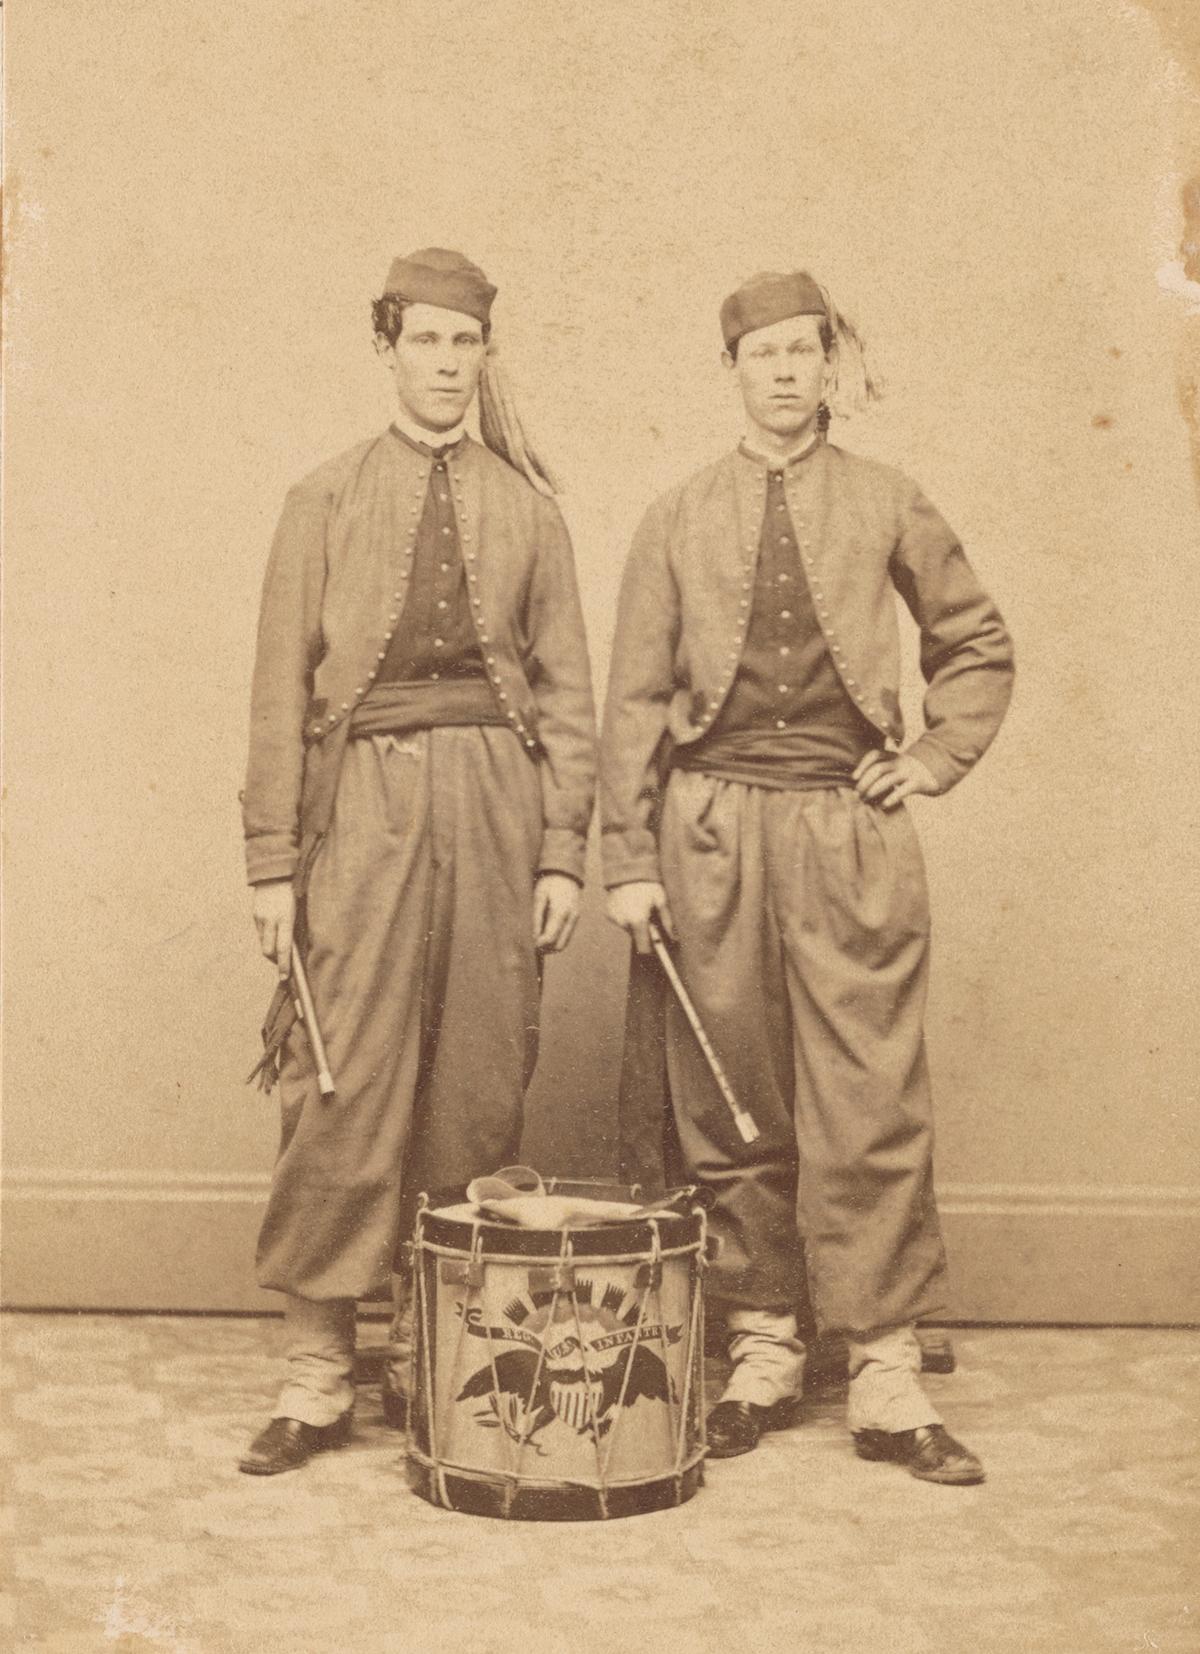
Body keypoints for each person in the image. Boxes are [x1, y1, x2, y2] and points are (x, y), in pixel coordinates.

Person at [600, 269, 1013, 1485]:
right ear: (730, 369)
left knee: (869, 1094)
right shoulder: (675, 516)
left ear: (832, 366)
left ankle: (882, 1367)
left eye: (804, 353)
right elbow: (629, 704)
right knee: (733, 1092)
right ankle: (764, 1341)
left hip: (848, 827)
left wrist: (933, 758)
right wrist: (628, 860)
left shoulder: (887, 498)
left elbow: (974, 641)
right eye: (763, 354)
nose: (785, 373)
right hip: (710, 827)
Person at [239, 249, 596, 1475]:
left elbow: (569, 697)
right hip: (365, 812)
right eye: (425, 342)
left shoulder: (531, 509)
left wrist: (561, 853)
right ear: (386, 347)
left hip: (498, 806)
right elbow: (279, 693)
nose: (446, 365)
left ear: (486, 354)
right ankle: (317, 1370)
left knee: (478, 1077)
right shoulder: (322, 500)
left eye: (466, 344)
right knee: (341, 1079)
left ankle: (434, 1355)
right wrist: (274, 869)